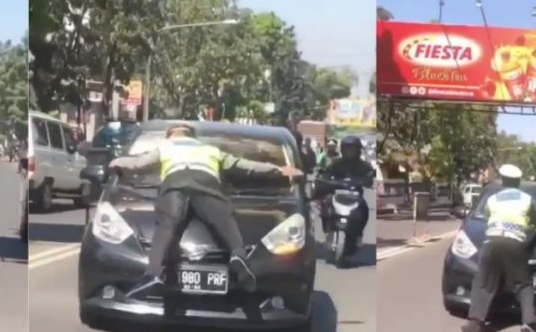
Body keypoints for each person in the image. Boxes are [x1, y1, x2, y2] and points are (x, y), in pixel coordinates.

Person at [109, 123, 303, 295]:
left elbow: (137, 164)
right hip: (207, 186)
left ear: (171, 135)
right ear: (193, 137)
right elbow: (246, 166)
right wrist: (278, 170)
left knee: (166, 226)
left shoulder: (166, 147)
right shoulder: (210, 150)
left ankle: (153, 275)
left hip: (175, 186)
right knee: (225, 220)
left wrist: (117, 163)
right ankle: (238, 256)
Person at [461, 164, 536, 332]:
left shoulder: (493, 199)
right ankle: (529, 322)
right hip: (515, 244)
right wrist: (535, 234)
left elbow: (487, 218)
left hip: (492, 243)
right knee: (523, 284)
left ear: (503, 181)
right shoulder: (526, 199)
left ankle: (475, 323)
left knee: (484, 282)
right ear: (518, 182)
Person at [317, 135, 376, 247]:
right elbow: (326, 175)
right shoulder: (336, 163)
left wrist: (365, 181)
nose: (350, 151)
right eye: (347, 148)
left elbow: (369, 179)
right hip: (337, 193)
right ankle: (329, 231)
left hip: (355, 195)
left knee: (364, 209)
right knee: (326, 204)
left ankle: (358, 235)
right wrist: (326, 181)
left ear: (358, 150)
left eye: (353, 148)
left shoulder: (364, 165)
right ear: (342, 149)